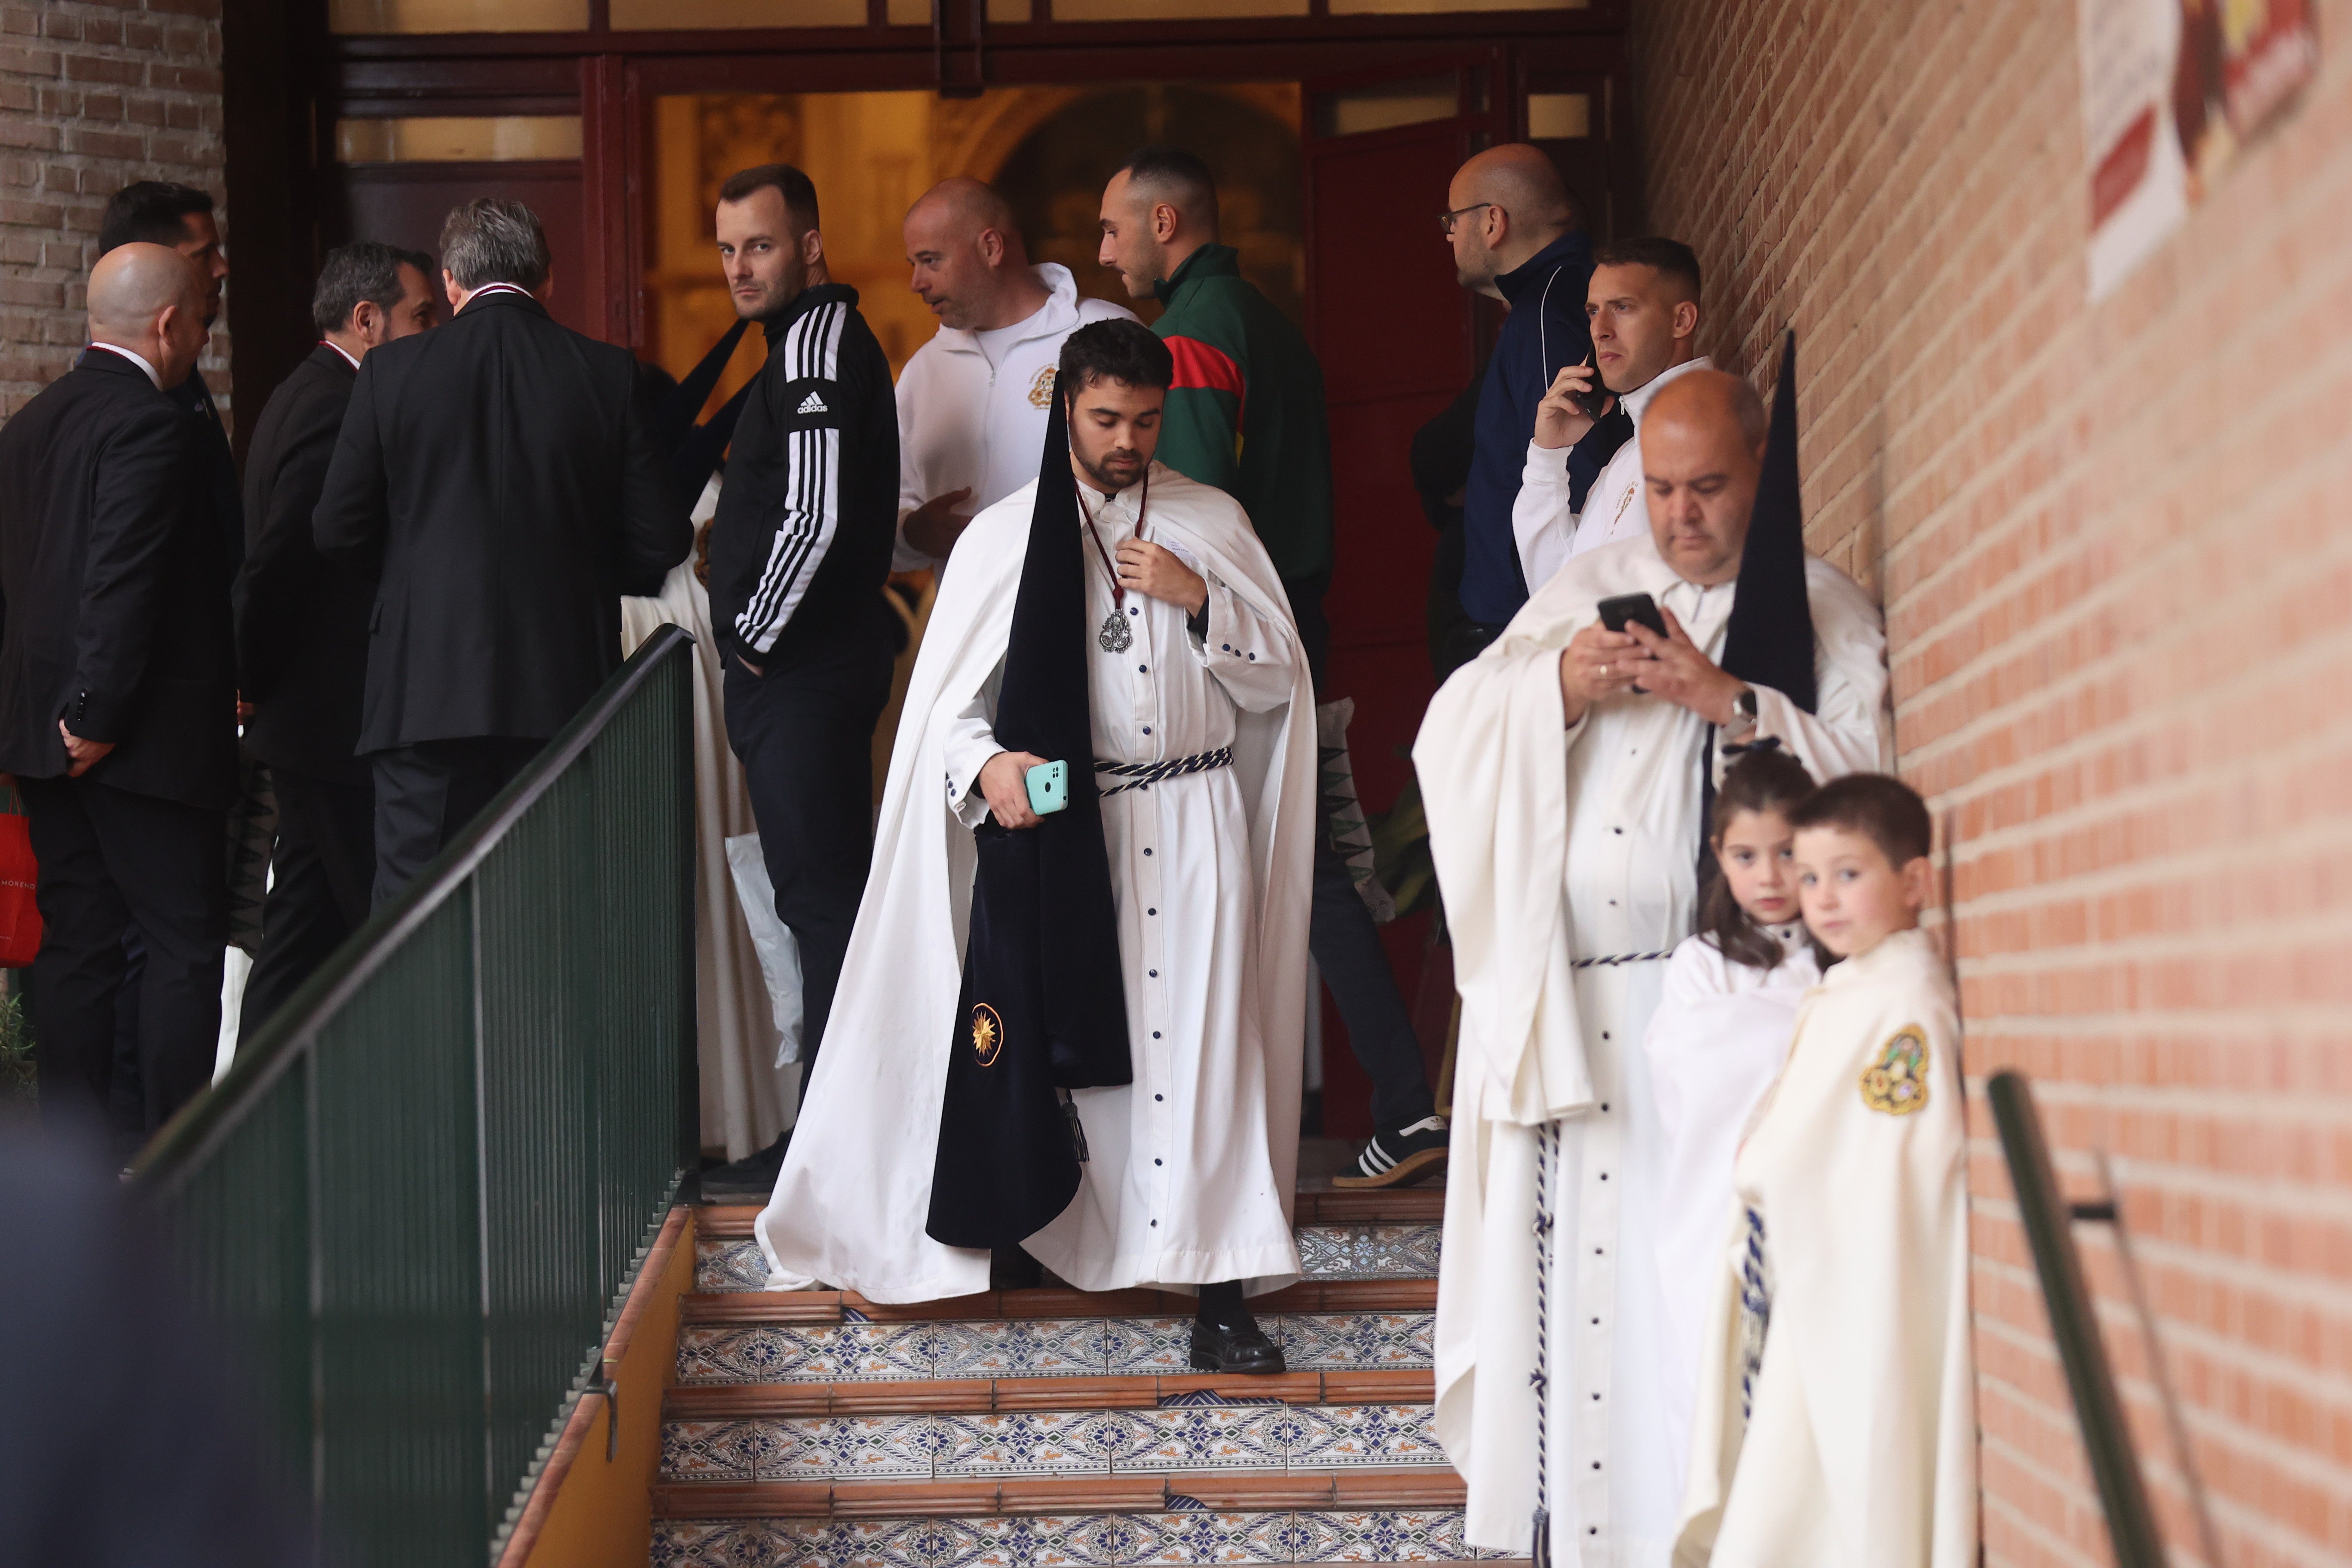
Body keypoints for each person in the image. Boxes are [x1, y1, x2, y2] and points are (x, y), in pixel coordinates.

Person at [754, 320, 1316, 1373]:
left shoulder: (1212, 522)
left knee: (1206, 1047)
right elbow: (945, 712)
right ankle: (1060, 1233)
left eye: (1145, 420)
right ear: (1066, 407)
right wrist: (989, 767)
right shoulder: (1002, 538)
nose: (1126, 441)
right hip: (1074, 830)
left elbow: (1278, 682)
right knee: (1078, 1055)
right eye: (1105, 419)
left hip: (1193, 817)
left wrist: (1201, 600)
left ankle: (1218, 1286)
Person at [1412, 357, 1891, 1559]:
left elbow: (1868, 793)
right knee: (1588, 1309)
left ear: (1761, 473)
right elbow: (1449, 737)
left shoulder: (1820, 606)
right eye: (1663, 488)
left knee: (1695, 1303)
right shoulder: (1585, 591)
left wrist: (1729, 699)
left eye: (1708, 488)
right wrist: (1557, 690)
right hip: (1575, 1021)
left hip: (1730, 1029)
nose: (1679, 516)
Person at [1099, 143, 1446, 1186]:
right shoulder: (1263, 320)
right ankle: (1390, 1107)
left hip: (1231, 638)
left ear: (1164, 224)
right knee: (1309, 868)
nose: (1106, 252)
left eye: (1114, 228)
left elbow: (1191, 509)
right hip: (1288, 619)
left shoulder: (1193, 335)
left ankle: (1375, 1109)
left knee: (1292, 874)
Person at [313, 199, 688, 906]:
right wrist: (577, 572)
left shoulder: (389, 372)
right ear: (547, 278)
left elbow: (337, 528)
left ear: (451, 282)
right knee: (551, 913)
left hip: (423, 695)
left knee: (417, 923)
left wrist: (414, 583)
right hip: (564, 692)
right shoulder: (606, 373)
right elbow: (663, 539)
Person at [1676, 774, 1975, 1568]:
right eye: (1810, 877)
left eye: (1848, 873)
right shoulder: (1851, 986)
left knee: (1831, 1499)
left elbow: (1898, 1159)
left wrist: (1777, 1173)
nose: (1822, 898)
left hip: (1858, 1286)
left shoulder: (1905, 1000)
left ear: (1914, 881)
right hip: (1803, 1271)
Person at [697, 164, 901, 1200]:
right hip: (807, 670)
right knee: (821, 902)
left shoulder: (816, 344)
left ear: (810, 246)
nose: (740, 267)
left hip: (803, 672)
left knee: (822, 907)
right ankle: (836, 1135)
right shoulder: (798, 344)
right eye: (728, 249)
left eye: (762, 245)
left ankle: (828, 1150)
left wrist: (752, 638)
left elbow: (814, 517)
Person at [0, 245, 235, 1141]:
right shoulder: (152, 423)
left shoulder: (29, 424)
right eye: (202, 321)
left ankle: (76, 1170)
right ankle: (178, 1164)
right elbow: (122, 577)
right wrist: (93, 714)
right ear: (169, 323)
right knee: (180, 944)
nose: (202, 340)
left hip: (43, 733)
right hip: (137, 738)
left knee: (78, 944)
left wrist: (39, 717)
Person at [233, 242, 438, 1039]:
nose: (432, 334)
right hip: (327, 722)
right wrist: (251, 676)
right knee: (377, 935)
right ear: (367, 320)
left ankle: (256, 1101)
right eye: (421, 316)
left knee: (305, 925)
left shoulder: (310, 390)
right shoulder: (336, 404)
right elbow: (281, 561)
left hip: (317, 721)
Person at [1640, 744, 1820, 1507]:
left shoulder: (1839, 960)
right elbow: (1693, 1078)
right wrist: (1799, 1040)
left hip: (1817, 1213)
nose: (1769, 876)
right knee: (1718, 1400)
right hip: (1713, 1213)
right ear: (1719, 854)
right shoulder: (1698, 964)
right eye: (1747, 856)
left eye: (1788, 852)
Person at [894, 176, 1135, 572]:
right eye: (913, 265)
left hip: (1089, 604)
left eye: (931, 261)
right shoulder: (923, 370)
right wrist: (913, 532)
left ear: (991, 247)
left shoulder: (1107, 334)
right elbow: (890, 506)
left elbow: (1158, 488)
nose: (916, 283)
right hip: (966, 609)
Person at [1445, 144, 1621, 647]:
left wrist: (1555, 630)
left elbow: (1575, 465)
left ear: (1492, 222)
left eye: (1452, 220)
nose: (1450, 234)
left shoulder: (1548, 310)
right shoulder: (1556, 297)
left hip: (1535, 626)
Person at [1515, 237, 1713, 588]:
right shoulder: (1625, 459)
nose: (1599, 330)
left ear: (1681, 320)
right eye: (1593, 312)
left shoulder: (1708, 431)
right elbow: (1555, 590)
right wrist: (1548, 457)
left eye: (1622, 307)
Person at [97, 181, 240, 579]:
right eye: (203, 255)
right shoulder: (132, 412)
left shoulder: (181, 374)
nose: (222, 268)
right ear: (150, 266)